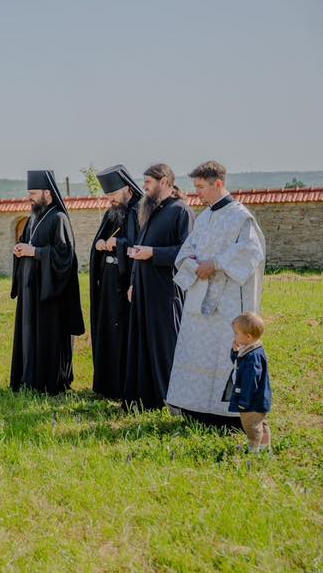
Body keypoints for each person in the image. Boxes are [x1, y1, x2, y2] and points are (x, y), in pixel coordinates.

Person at [166, 161, 266, 426]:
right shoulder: (204, 218)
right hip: (200, 300)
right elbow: (186, 251)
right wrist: (193, 265)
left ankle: (226, 416)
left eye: (201, 187)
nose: (197, 192)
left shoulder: (240, 217)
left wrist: (216, 263)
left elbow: (251, 252)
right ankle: (195, 408)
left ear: (218, 183)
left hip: (228, 302)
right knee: (197, 352)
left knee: (224, 353)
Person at [122, 163, 194, 410]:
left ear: (164, 182)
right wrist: (133, 282)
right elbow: (141, 247)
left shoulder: (181, 211)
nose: (144, 187)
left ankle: (170, 397)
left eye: (148, 182)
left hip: (165, 289)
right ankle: (147, 397)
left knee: (164, 343)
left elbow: (187, 252)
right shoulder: (152, 209)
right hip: (143, 286)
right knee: (143, 341)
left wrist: (153, 253)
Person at [10, 170, 84, 394]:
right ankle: (29, 378)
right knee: (28, 332)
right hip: (30, 289)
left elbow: (64, 256)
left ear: (47, 193)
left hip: (50, 292)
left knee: (47, 336)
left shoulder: (59, 218)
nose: (30, 197)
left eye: (33, 193)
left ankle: (48, 382)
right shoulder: (33, 218)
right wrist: (20, 249)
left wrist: (34, 252)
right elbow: (28, 243)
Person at [89, 165, 143, 399]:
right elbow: (102, 239)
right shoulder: (112, 213)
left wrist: (117, 244)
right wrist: (100, 244)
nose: (109, 199)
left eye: (113, 194)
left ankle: (123, 385)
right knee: (108, 332)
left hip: (128, 282)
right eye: (107, 195)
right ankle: (107, 385)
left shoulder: (140, 212)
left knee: (125, 334)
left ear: (128, 190)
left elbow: (138, 245)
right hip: (109, 282)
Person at [227, 311, 272, 452]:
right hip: (259, 398)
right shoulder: (252, 349)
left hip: (252, 400)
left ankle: (253, 449)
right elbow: (238, 364)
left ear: (248, 337)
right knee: (260, 423)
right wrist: (236, 352)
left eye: (236, 333)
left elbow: (250, 381)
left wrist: (244, 401)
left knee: (251, 426)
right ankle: (265, 447)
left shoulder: (252, 357)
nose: (234, 336)